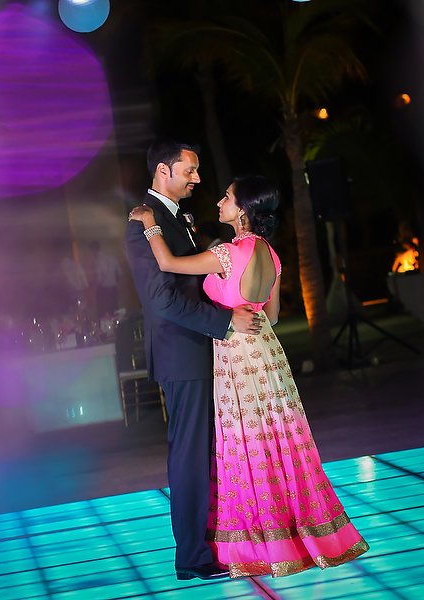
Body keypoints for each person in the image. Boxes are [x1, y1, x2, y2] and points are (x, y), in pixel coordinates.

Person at [129, 175, 369, 578]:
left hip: (235, 355)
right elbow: (271, 316)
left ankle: (258, 543)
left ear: (241, 209)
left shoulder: (226, 252)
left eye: (226, 197)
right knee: (279, 440)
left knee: (244, 446)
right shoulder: (272, 255)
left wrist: (149, 222)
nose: (218, 201)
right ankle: (299, 535)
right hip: (267, 353)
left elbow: (168, 264)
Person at [124, 140, 262, 581]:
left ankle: (212, 542)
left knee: (205, 451)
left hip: (199, 345)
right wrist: (224, 324)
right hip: (180, 351)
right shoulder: (141, 222)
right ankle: (192, 557)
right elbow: (161, 299)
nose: (198, 179)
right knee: (189, 453)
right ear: (164, 171)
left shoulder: (174, 218)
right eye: (191, 170)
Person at [89, 240, 122, 317]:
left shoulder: (98, 260)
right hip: (113, 289)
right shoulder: (112, 257)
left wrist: (91, 285)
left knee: (103, 315)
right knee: (115, 313)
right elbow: (119, 273)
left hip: (103, 291)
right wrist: (113, 282)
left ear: (93, 250)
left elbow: (99, 279)